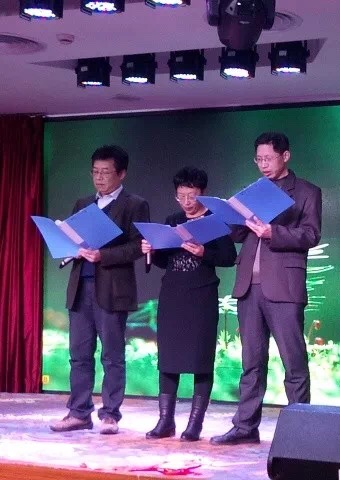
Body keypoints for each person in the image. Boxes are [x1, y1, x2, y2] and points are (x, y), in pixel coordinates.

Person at [210, 132, 322, 446]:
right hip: (249, 287)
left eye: (268, 158)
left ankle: (300, 431)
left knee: (293, 361)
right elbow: (236, 235)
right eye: (258, 159)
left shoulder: (307, 191)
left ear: (285, 156)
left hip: (284, 286)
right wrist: (230, 217)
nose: (263, 165)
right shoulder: (253, 192)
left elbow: (311, 234)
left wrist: (273, 231)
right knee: (251, 362)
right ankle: (245, 427)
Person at [50, 145, 150, 435]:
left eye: (106, 172)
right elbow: (72, 239)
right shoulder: (83, 203)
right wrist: (71, 247)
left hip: (112, 288)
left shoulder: (134, 204)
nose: (99, 178)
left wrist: (102, 255)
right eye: (95, 172)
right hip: (81, 287)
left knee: (112, 355)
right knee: (79, 354)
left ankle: (110, 415)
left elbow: (138, 246)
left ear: (122, 173)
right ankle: (79, 412)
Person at [142, 167, 237, 442]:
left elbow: (229, 257)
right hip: (172, 295)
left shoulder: (215, 221)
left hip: (201, 297)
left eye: (191, 195)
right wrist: (152, 250)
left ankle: (195, 424)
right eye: (181, 196)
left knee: (201, 359)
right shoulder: (173, 221)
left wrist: (203, 252)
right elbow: (164, 261)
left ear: (202, 194)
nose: (186, 201)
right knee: (168, 359)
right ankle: (165, 421)